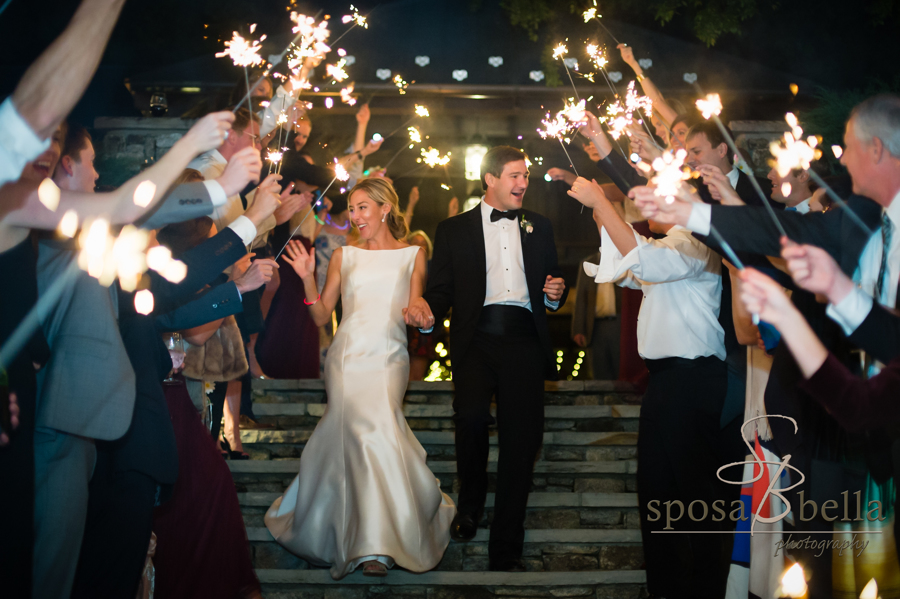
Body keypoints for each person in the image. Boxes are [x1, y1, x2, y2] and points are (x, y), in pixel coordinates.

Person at [265, 177, 455, 579]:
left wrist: (420, 317)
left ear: (385, 208)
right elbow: (321, 315)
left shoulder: (413, 255)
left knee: (377, 433)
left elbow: (415, 308)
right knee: (357, 438)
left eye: (362, 207)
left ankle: (377, 537)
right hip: (347, 358)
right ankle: (368, 546)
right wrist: (305, 277)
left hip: (389, 357)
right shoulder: (343, 256)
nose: (354, 216)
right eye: (351, 208)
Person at [568, 175, 734, 598]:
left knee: (696, 499)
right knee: (657, 494)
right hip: (666, 385)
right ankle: (666, 588)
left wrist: (603, 202)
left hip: (695, 383)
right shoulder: (667, 247)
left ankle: (705, 590)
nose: (650, 208)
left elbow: (642, 260)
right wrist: (600, 211)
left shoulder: (694, 243)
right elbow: (627, 269)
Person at [405, 146, 568, 572]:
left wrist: (555, 296)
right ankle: (470, 506)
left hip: (524, 342)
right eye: (515, 175)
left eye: (526, 176)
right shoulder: (453, 229)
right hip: (475, 340)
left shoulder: (541, 227)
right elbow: (441, 291)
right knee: (472, 418)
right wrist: (425, 313)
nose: (523, 184)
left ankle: (507, 545)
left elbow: (554, 284)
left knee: (522, 440)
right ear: (490, 179)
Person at [571, 252, 620, 380]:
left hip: (620, 324)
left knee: (622, 371)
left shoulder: (624, 259)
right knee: (599, 371)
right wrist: (578, 329)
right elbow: (581, 297)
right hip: (595, 326)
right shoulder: (588, 263)